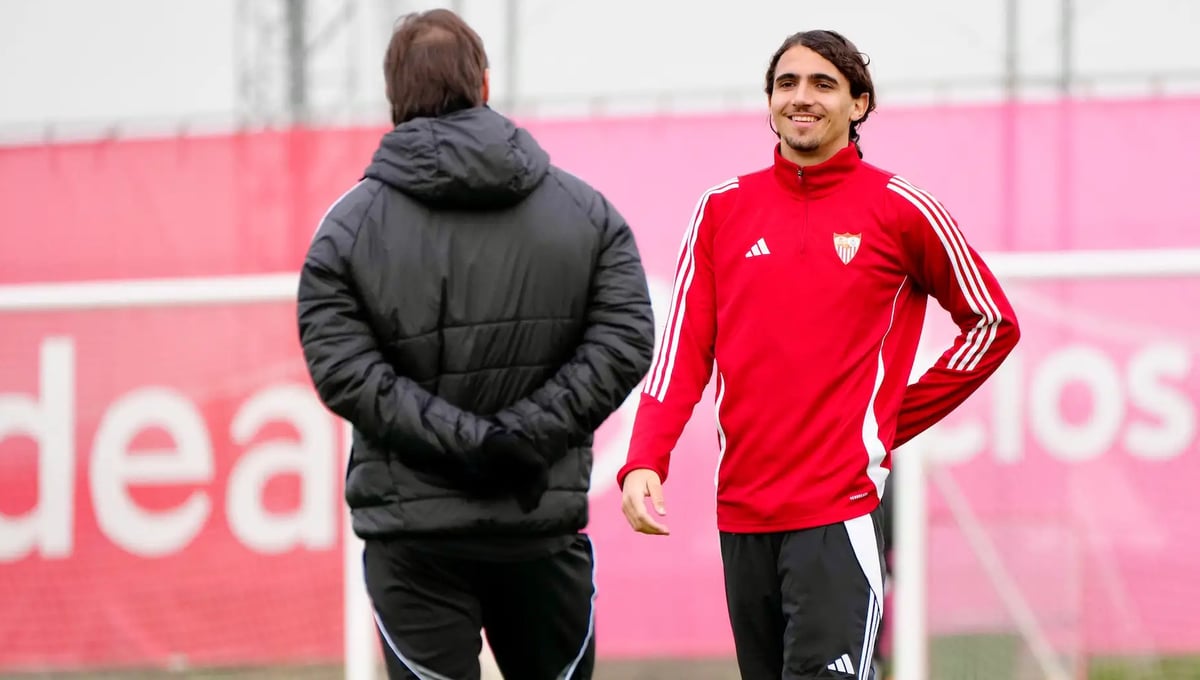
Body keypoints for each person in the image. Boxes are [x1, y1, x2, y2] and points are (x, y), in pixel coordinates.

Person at [618, 29, 1020, 680]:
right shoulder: (722, 209)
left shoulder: (901, 208)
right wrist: (645, 457)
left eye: (823, 84)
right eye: (787, 83)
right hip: (741, 516)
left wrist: (888, 420)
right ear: (769, 100)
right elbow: (683, 352)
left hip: (839, 513)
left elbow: (992, 323)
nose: (801, 97)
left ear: (859, 104)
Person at [297, 9, 655, 680]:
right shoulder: (588, 214)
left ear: (393, 96)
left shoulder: (345, 230)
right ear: (485, 85)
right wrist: (518, 441)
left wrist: (472, 442)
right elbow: (626, 338)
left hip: (413, 543)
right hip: (538, 526)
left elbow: (343, 370)